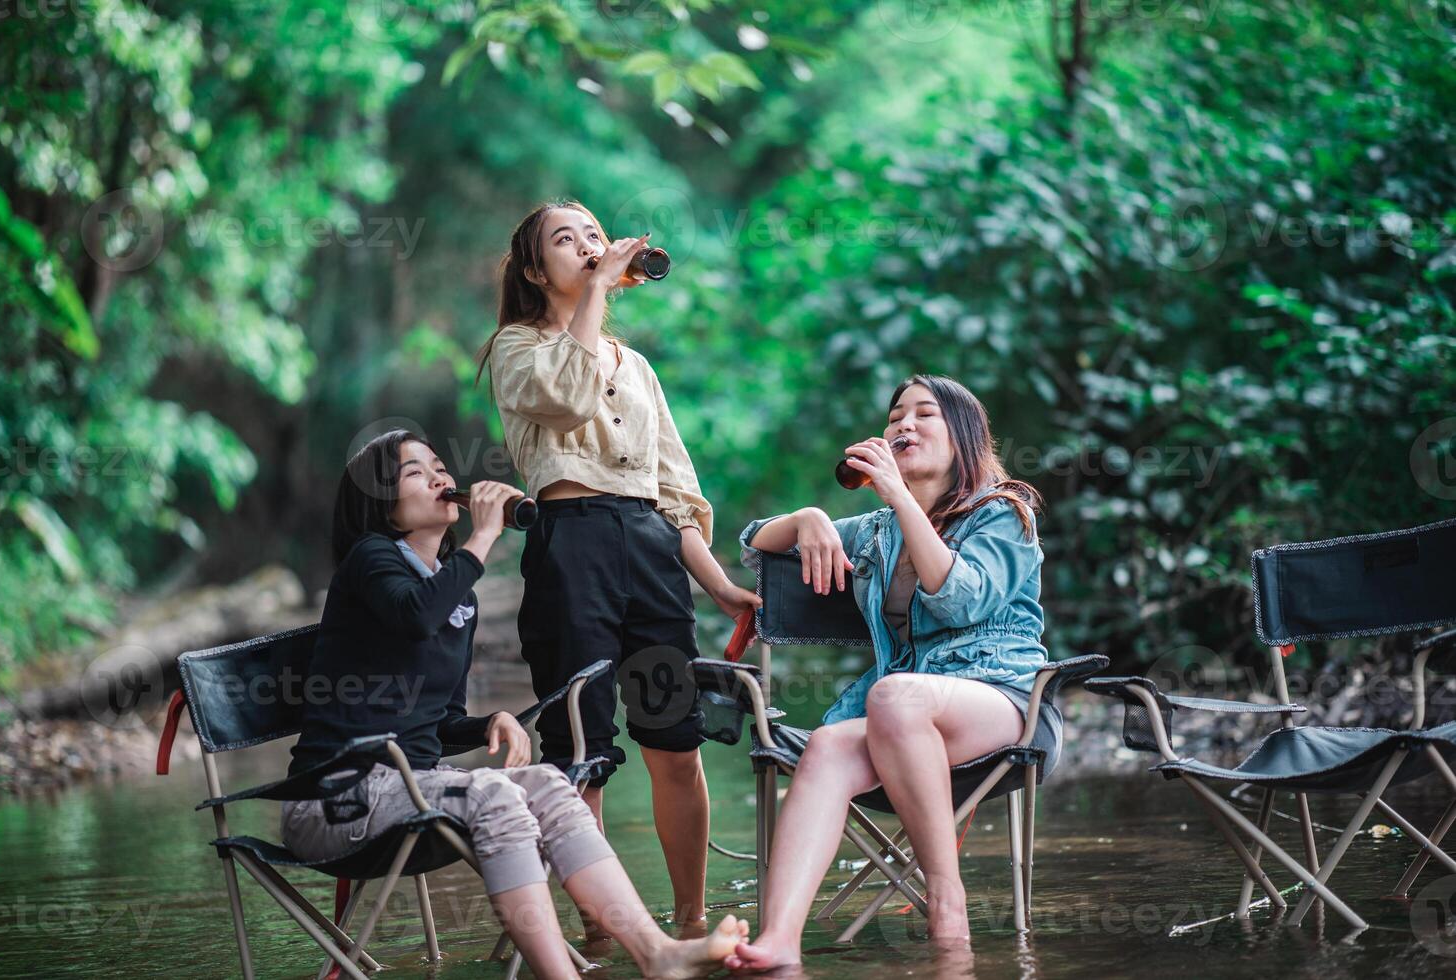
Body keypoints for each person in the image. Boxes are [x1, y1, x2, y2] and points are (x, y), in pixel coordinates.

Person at [280, 429, 748, 979]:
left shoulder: (457, 598)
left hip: (409, 788)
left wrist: (486, 724)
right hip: (338, 799)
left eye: (439, 466)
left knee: (551, 783)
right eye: (415, 473)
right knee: (495, 795)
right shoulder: (371, 560)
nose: (440, 479)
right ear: (379, 502)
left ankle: (658, 953)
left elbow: (438, 720)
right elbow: (414, 615)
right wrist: (482, 537)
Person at [475, 200, 761, 930]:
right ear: (537, 270)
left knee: (674, 740)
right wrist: (599, 290)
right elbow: (567, 403)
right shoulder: (516, 346)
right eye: (566, 242)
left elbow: (672, 494)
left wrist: (722, 587)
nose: (588, 248)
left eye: (595, 237)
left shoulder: (636, 367)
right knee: (582, 749)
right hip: (571, 547)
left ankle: (691, 921)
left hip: (650, 552)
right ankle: (604, 933)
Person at [724, 375, 1062, 970]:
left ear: (962, 437)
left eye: (924, 414)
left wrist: (900, 499)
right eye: (895, 415)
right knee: (828, 743)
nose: (904, 424)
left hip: (1007, 705)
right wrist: (807, 518)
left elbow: (959, 601)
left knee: (895, 695)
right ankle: (779, 940)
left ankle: (946, 897)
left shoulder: (1005, 512)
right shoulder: (876, 533)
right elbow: (756, 547)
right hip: (902, 722)